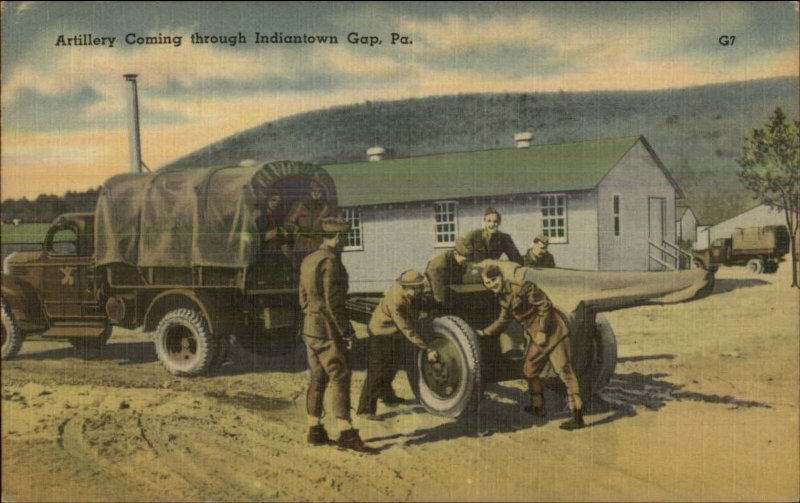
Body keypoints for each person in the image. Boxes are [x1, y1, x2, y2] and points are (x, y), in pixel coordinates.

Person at [299, 217, 376, 452]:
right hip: (328, 331)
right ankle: (346, 433)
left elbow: (302, 298)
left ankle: (315, 429)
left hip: (310, 328)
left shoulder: (308, 259)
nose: (344, 241)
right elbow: (334, 303)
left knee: (317, 377)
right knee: (340, 377)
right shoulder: (332, 261)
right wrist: (347, 332)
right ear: (339, 237)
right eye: (345, 237)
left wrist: (313, 316)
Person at [476, 264, 585, 430]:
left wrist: (542, 330)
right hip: (536, 336)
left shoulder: (521, 287)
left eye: (494, 280)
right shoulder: (502, 297)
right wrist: (485, 332)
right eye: (487, 282)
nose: (492, 284)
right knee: (529, 369)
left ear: (500, 277)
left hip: (553, 330)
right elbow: (504, 320)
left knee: (564, 370)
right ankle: (538, 407)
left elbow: (545, 305)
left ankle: (577, 416)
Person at [357, 270, 440, 419]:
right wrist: (427, 348)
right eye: (415, 289)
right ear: (405, 286)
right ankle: (365, 409)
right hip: (381, 333)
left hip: (394, 333)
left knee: (392, 366)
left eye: (419, 288)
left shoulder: (410, 292)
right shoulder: (396, 301)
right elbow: (407, 329)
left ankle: (387, 396)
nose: (418, 291)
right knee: (378, 371)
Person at [287, 179, 332, 266]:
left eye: (319, 191)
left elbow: (329, 226)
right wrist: (300, 231)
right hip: (302, 246)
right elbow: (289, 223)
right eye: (313, 190)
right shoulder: (300, 205)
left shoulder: (324, 208)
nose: (316, 193)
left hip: (318, 245)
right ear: (309, 191)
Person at [424, 236, 473, 307]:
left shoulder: (459, 261)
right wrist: (443, 307)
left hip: (447, 290)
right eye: (464, 260)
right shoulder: (439, 265)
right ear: (455, 254)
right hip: (432, 292)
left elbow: (459, 282)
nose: (465, 263)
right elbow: (438, 293)